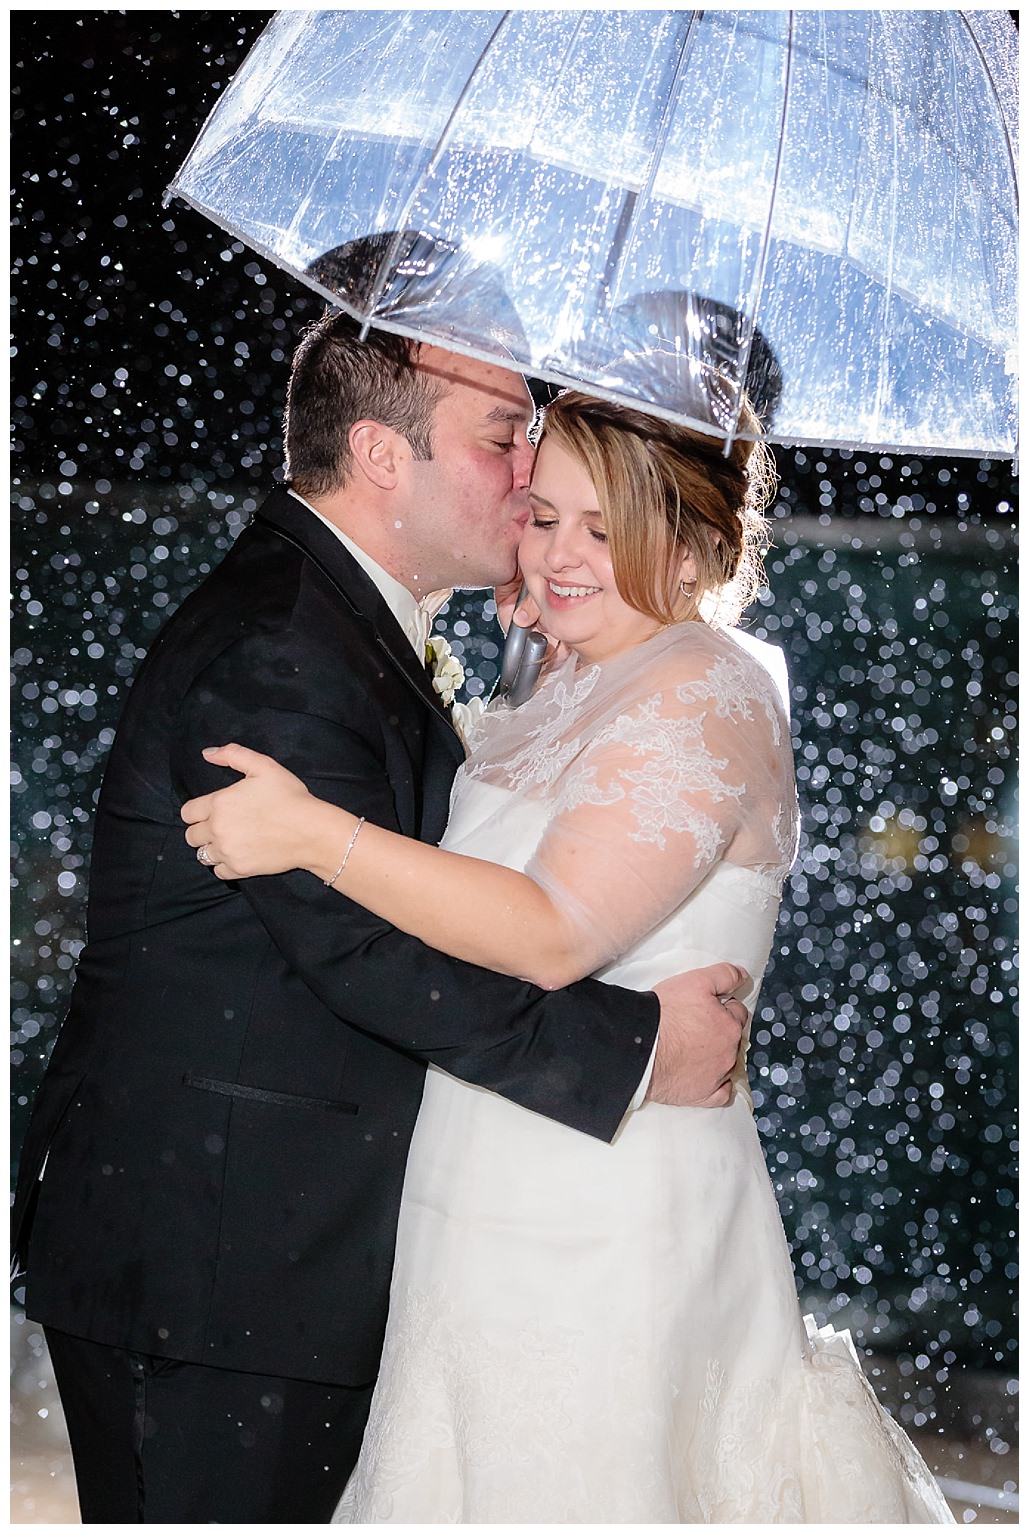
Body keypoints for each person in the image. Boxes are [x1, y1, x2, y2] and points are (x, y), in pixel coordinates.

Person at [12, 311, 751, 1523]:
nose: (529, 473)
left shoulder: (336, 623)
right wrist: (634, 1049)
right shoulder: (281, 650)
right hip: (218, 1266)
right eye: (503, 437)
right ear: (380, 453)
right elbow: (369, 956)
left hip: (265, 1253)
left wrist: (565, 644)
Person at [182, 391, 954, 1521]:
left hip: (603, 1206)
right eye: (542, 518)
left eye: (605, 529)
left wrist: (315, 835)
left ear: (693, 543)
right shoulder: (560, 669)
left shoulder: (703, 687)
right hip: (486, 1181)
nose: (559, 555)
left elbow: (550, 933)